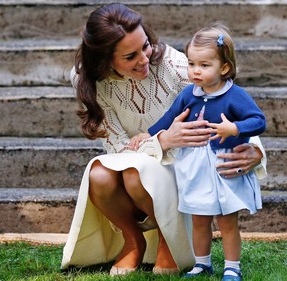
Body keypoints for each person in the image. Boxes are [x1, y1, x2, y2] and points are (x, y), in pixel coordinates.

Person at [60, 3, 267, 277]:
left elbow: (228, 103)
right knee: (99, 174)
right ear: (104, 60)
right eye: (130, 56)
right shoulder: (88, 80)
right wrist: (162, 140)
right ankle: (133, 240)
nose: (144, 59)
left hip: (183, 166)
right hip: (136, 160)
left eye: (145, 46)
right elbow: (117, 146)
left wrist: (254, 150)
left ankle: (170, 242)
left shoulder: (175, 64)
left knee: (136, 174)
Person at [131, 23, 266, 281]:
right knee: (200, 219)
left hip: (224, 164)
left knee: (226, 221)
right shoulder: (188, 94)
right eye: (192, 64)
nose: (195, 71)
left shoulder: (235, 95)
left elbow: (258, 120)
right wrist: (149, 134)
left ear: (224, 67)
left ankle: (232, 267)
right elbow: (170, 118)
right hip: (195, 165)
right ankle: (202, 264)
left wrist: (235, 128)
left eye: (204, 66)